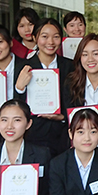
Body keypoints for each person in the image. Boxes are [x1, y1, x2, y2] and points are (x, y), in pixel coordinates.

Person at [14, 18, 73, 157]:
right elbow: (16, 105)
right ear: (35, 38)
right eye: (44, 37)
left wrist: (63, 116)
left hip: (63, 135)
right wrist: (19, 88)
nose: (50, 42)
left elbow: (77, 99)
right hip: (33, 135)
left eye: (56, 37)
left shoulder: (71, 66)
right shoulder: (23, 67)